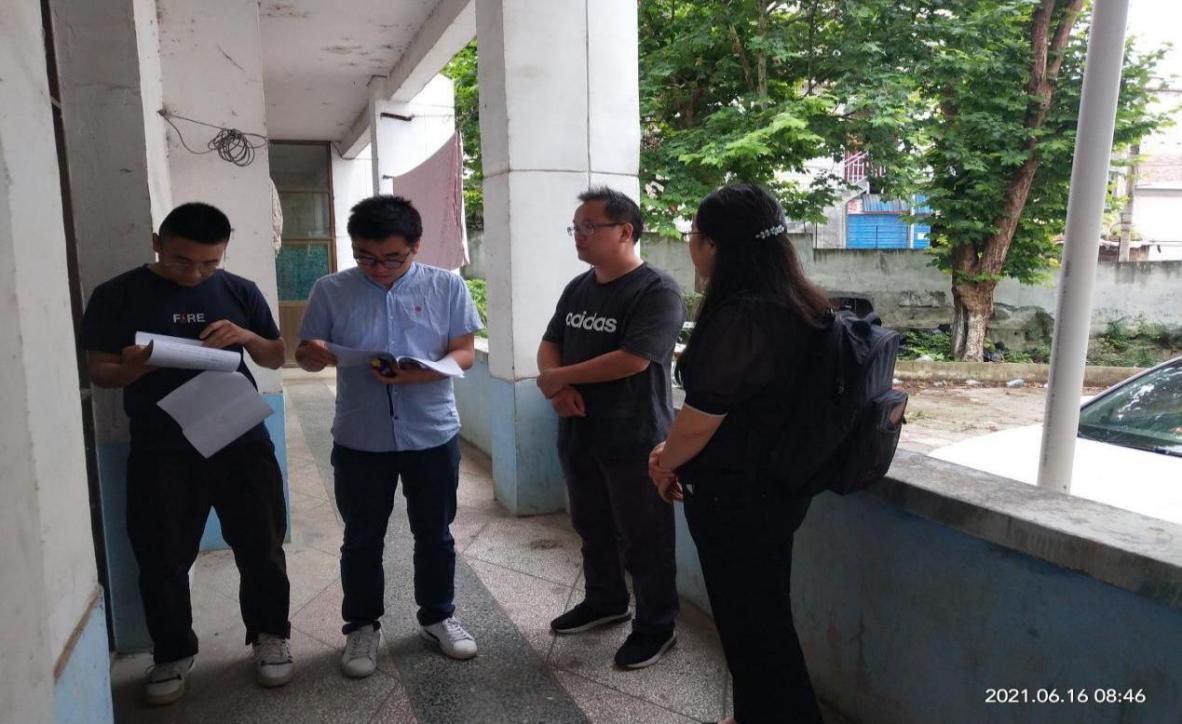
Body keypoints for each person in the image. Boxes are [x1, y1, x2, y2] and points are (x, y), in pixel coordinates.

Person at [81, 202, 293, 706]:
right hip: (161, 445)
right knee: (162, 553)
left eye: (209, 263)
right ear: (158, 242)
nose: (195, 273)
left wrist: (246, 336)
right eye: (182, 261)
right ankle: (172, 652)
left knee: (261, 544)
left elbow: (275, 355)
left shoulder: (239, 290)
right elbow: (100, 371)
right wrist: (135, 368)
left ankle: (270, 636)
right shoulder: (116, 295)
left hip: (238, 435)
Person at [649, 183, 829, 723]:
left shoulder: (741, 318)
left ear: (713, 245)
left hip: (736, 499)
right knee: (762, 617)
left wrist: (663, 461)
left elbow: (701, 419)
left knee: (753, 626)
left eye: (694, 233)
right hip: (779, 489)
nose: (691, 244)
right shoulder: (802, 305)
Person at [296, 195, 483, 678]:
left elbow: (464, 352)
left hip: (432, 433)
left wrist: (421, 373)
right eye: (365, 257)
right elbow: (307, 352)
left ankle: (438, 616)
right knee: (361, 538)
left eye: (391, 258)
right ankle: (361, 627)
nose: (377, 268)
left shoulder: (446, 286)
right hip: (361, 435)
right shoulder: (330, 289)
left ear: (415, 246)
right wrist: (311, 355)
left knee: (435, 534)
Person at [537, 187, 685, 669]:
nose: (578, 235)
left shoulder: (657, 291)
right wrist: (558, 387)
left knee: (645, 536)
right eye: (575, 227)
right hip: (580, 431)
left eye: (589, 227)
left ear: (625, 231)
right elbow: (550, 342)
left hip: (635, 436)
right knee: (592, 525)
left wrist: (560, 377)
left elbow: (633, 359)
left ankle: (657, 625)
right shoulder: (578, 287)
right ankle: (605, 601)